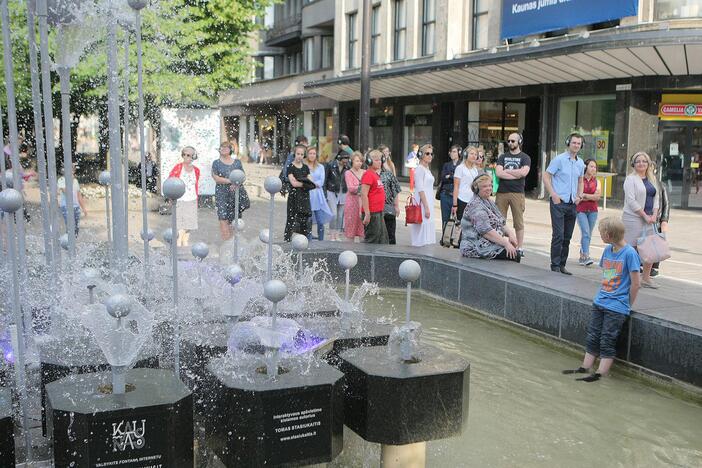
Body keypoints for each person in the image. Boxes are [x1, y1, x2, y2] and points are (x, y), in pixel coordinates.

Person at [562, 217, 640, 382]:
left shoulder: (630, 254)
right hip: (601, 301)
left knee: (607, 339)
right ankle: (585, 366)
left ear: (609, 234)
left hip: (617, 306)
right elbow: (608, 275)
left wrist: (627, 304)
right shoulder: (608, 251)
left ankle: (600, 373)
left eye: (601, 233)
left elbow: (635, 283)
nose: (600, 235)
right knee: (593, 335)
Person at [543, 133, 585, 275]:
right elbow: (546, 176)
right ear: (568, 143)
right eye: (574, 143)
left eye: (579, 143)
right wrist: (553, 194)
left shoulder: (580, 163)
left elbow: (580, 181)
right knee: (558, 235)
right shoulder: (559, 160)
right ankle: (554, 265)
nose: (576, 145)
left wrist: (579, 195)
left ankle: (562, 265)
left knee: (567, 236)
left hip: (572, 204)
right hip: (558, 203)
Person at [460, 174, 520, 261]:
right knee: (514, 255)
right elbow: (486, 231)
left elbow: (501, 222)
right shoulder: (476, 206)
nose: (489, 188)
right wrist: (506, 243)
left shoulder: (488, 201)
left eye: (490, 185)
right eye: (484, 186)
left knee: (515, 252)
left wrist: (510, 234)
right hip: (475, 246)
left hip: (489, 243)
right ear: (477, 189)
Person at [623, 151, 660, 288]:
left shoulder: (652, 178)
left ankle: (646, 278)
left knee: (649, 249)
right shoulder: (630, 179)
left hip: (650, 218)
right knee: (631, 249)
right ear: (633, 164)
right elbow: (631, 201)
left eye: (644, 161)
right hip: (633, 218)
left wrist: (655, 214)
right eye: (638, 161)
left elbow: (656, 198)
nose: (641, 163)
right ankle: (628, 277)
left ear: (648, 163)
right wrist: (644, 215)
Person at [496, 133, 530, 256]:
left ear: (519, 142)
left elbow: (523, 173)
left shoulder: (525, 157)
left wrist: (508, 171)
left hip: (517, 193)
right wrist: (516, 173)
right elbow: (499, 173)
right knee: (499, 220)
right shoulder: (502, 157)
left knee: (518, 222)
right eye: (509, 141)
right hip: (502, 192)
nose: (510, 143)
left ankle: (520, 248)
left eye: (513, 141)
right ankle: (499, 244)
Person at [211, 141, 247, 241]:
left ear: (230, 150)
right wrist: (231, 181)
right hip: (221, 193)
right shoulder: (216, 163)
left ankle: (232, 243)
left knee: (234, 219)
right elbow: (216, 178)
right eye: (221, 147)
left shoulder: (237, 162)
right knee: (223, 218)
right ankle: (225, 243)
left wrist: (237, 183)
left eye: (226, 147)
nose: (223, 149)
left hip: (235, 193)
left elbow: (243, 176)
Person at [168, 146, 200, 246]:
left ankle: (185, 241)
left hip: (192, 199)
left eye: (189, 155)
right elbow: (170, 181)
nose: (186, 157)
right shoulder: (178, 167)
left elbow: (195, 184)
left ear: (194, 156)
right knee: (180, 223)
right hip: (180, 199)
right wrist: (170, 197)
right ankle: (178, 242)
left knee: (189, 223)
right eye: (184, 154)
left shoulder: (196, 170)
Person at [284, 144, 314, 241]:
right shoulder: (290, 167)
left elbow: (311, 183)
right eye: (298, 154)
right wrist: (305, 184)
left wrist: (302, 183)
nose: (299, 156)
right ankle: (287, 240)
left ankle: (303, 240)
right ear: (294, 154)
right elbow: (293, 183)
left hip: (304, 197)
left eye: (301, 154)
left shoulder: (305, 167)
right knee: (291, 218)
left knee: (304, 220)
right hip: (294, 196)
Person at [409, 144, 436, 247]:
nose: (430, 156)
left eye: (431, 154)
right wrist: (426, 207)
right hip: (423, 202)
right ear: (421, 154)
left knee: (427, 226)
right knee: (422, 226)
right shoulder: (420, 169)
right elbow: (420, 189)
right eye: (427, 153)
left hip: (428, 201)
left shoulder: (427, 169)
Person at [576, 159, 601, 266]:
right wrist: (590, 196)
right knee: (585, 232)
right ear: (585, 167)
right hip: (580, 210)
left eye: (595, 167)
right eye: (591, 166)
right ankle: (586, 256)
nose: (593, 169)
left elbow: (597, 197)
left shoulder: (597, 181)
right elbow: (578, 196)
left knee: (588, 234)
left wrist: (585, 196)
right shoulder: (579, 179)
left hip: (593, 211)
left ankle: (582, 255)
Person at [361, 149, 389, 244]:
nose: (380, 162)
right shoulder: (368, 175)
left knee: (383, 240)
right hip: (372, 214)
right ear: (369, 161)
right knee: (372, 240)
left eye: (380, 159)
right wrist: (367, 214)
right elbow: (364, 194)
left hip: (378, 212)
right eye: (376, 160)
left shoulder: (375, 175)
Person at [306, 146, 333, 240]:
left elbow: (321, 182)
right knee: (308, 220)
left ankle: (321, 240)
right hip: (308, 195)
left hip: (318, 196)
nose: (312, 155)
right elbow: (304, 181)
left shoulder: (321, 167)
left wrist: (311, 181)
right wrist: (312, 183)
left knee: (320, 221)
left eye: (314, 153)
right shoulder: (304, 166)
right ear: (307, 154)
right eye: (310, 153)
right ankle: (308, 239)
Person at [378, 146, 401, 244]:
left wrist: (396, 205)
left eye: (388, 151)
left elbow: (395, 187)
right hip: (377, 205)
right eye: (385, 152)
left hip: (389, 203)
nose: (387, 153)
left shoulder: (390, 167)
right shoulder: (372, 171)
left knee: (390, 232)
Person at [451, 146, 481, 221]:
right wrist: (455, 204)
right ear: (465, 154)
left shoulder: (475, 170)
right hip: (462, 199)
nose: (474, 156)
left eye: (475, 154)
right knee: (461, 225)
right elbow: (456, 187)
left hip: (473, 201)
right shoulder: (460, 168)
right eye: (471, 153)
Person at [325, 151, 349, 241]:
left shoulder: (347, 167)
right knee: (334, 214)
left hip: (343, 191)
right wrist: (325, 193)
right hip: (332, 191)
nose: (346, 161)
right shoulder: (331, 165)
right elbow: (325, 179)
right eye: (344, 159)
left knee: (340, 215)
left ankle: (337, 234)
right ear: (339, 158)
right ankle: (332, 233)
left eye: (347, 159)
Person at [57, 165, 88, 236]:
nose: (71, 172)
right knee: (70, 225)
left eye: (72, 170)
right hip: (66, 206)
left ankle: (73, 241)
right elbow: (66, 192)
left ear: (74, 171)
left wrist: (84, 208)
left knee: (76, 227)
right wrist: (70, 181)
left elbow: (79, 195)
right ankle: (69, 241)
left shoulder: (75, 181)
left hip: (76, 206)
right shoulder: (61, 180)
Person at [651, 162, 669, 277]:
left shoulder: (661, 185)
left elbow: (666, 204)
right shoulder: (640, 184)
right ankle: (643, 265)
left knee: (657, 243)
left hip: (657, 220)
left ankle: (655, 267)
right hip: (645, 219)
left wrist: (664, 220)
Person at [343, 152, 365, 242]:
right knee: (350, 229)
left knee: (363, 230)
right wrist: (363, 188)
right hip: (352, 203)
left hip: (363, 203)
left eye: (360, 161)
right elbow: (351, 188)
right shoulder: (348, 173)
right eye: (357, 161)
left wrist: (361, 188)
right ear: (352, 161)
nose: (359, 163)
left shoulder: (365, 172)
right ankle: (349, 252)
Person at [439, 145, 461, 228]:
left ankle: (454, 238)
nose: (452, 153)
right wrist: (453, 176)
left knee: (456, 219)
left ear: (459, 153)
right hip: (445, 194)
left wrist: (450, 176)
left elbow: (459, 179)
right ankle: (444, 237)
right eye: (451, 152)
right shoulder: (446, 165)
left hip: (456, 195)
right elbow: (443, 177)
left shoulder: (461, 165)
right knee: (445, 218)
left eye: (454, 151)